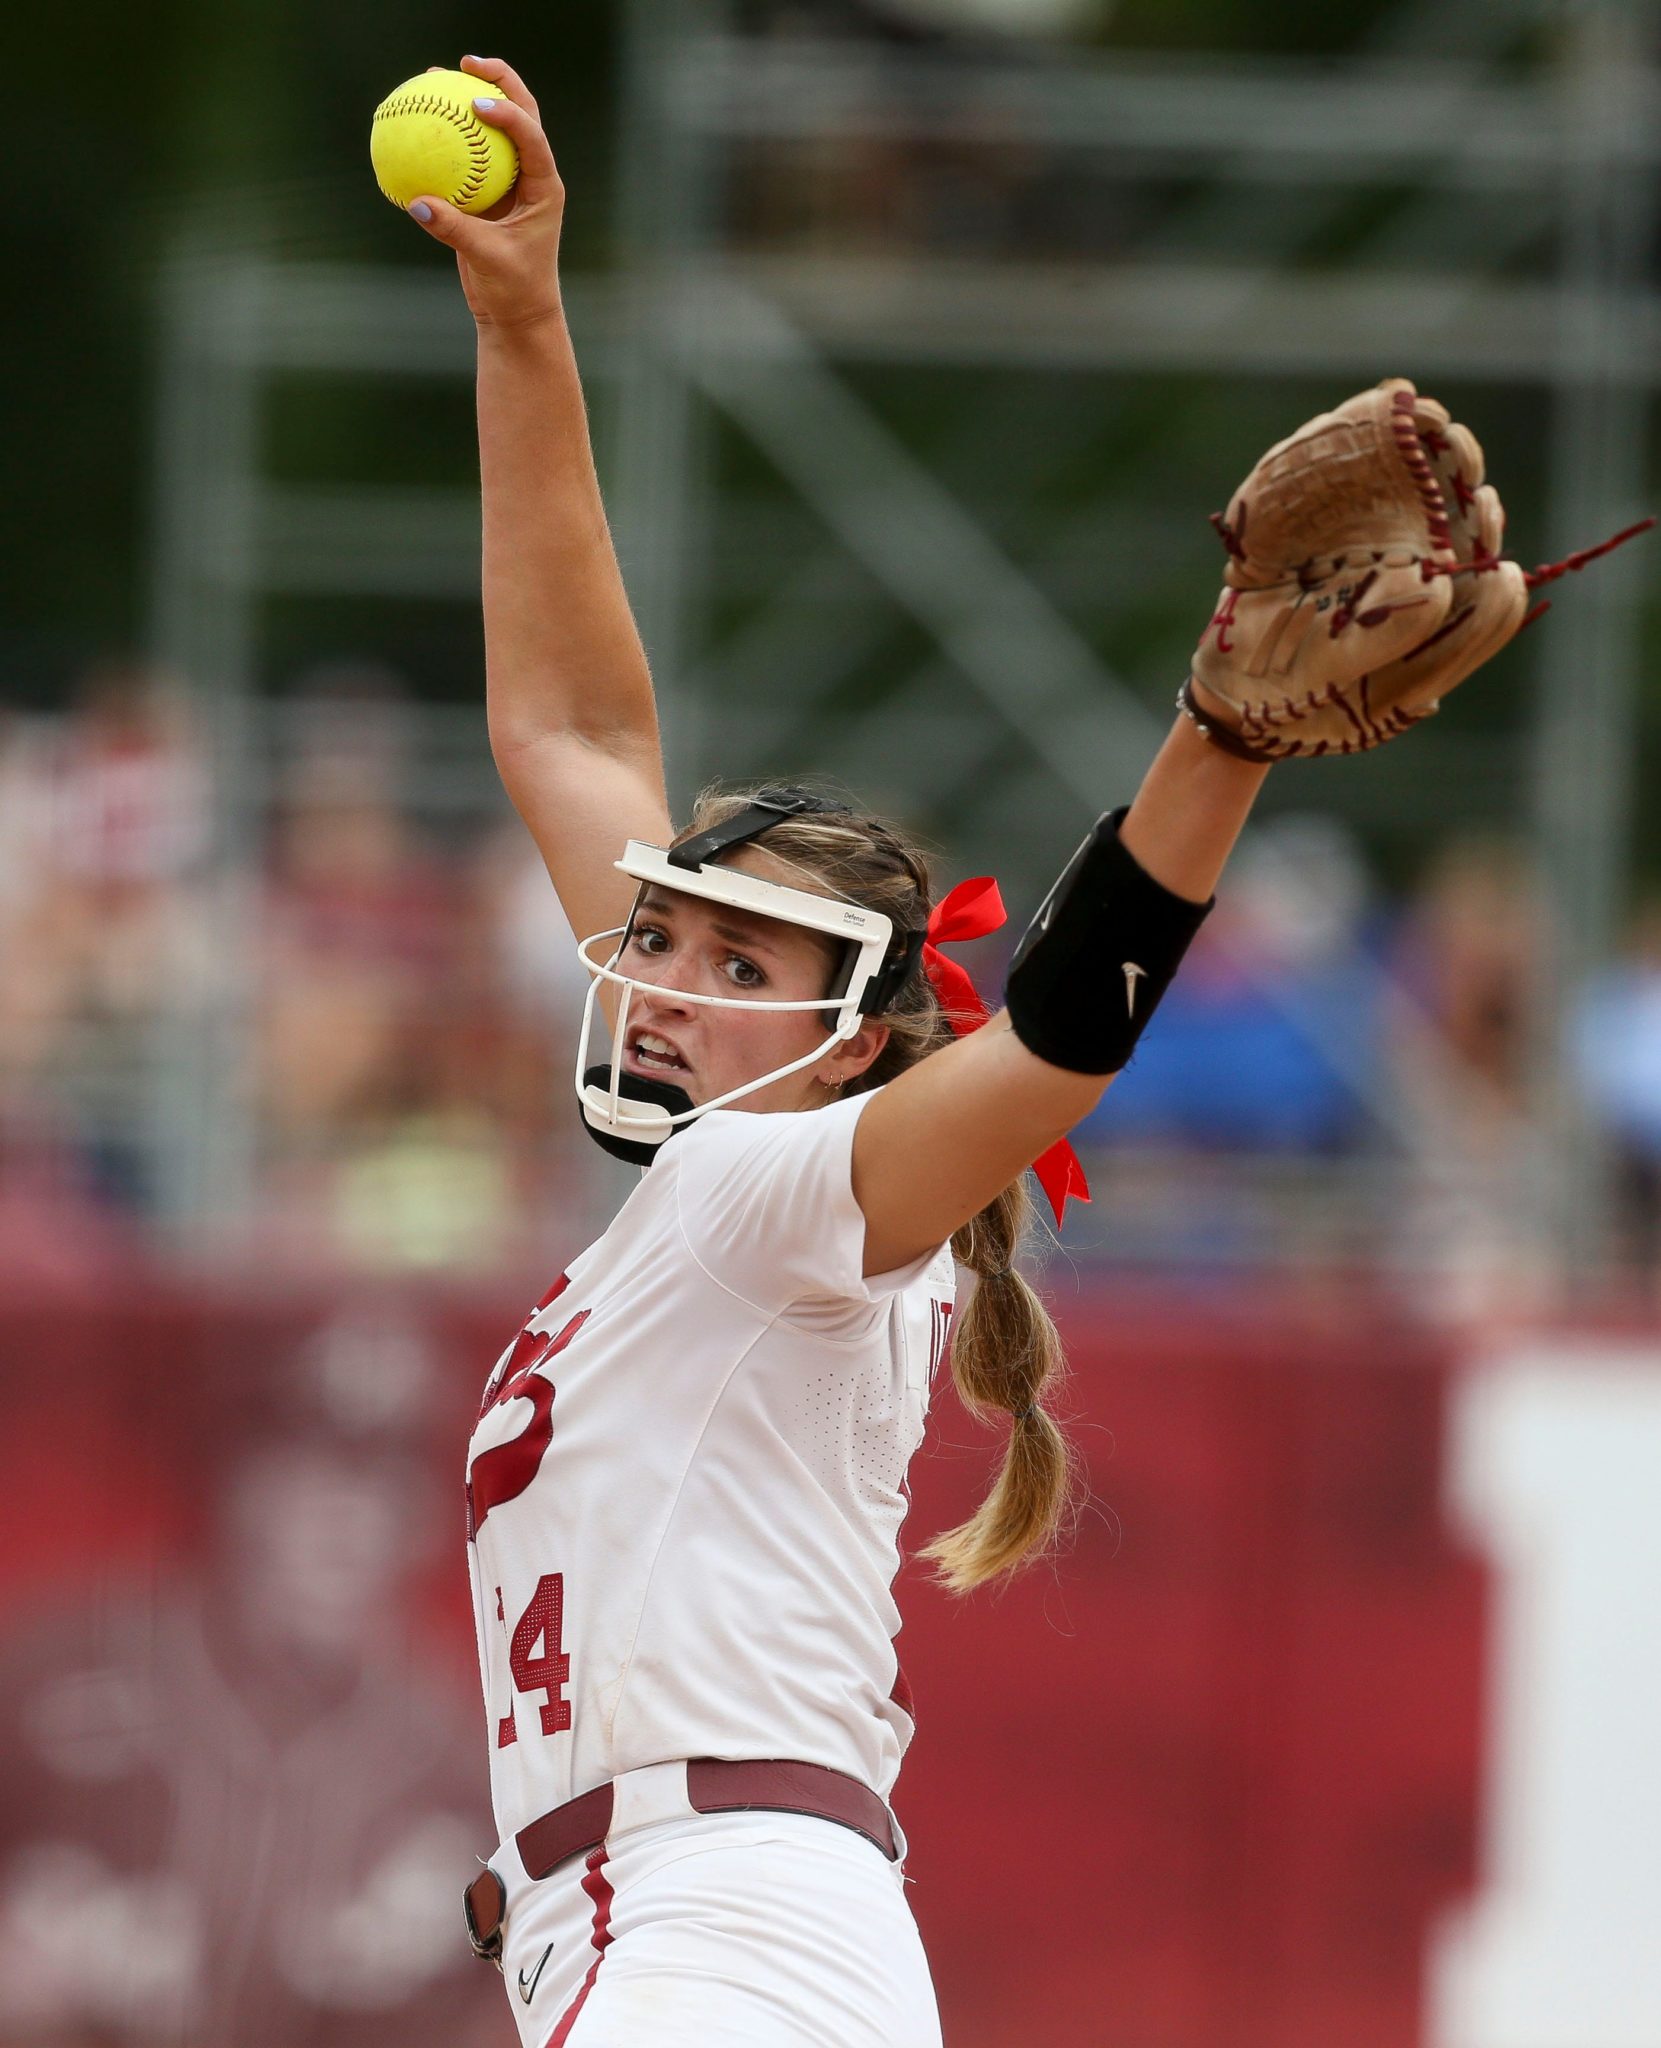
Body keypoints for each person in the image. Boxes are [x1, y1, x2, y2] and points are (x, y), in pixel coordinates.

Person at [399, 54, 1490, 2048]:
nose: (662, 964)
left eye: (740, 954)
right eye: (662, 931)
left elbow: (1060, 1050)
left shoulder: (758, 1186)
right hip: (680, 1925)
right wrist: (526, 321)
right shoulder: (737, 1208)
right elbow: (565, 731)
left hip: (716, 1930)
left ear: (846, 1048)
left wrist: (1214, 748)